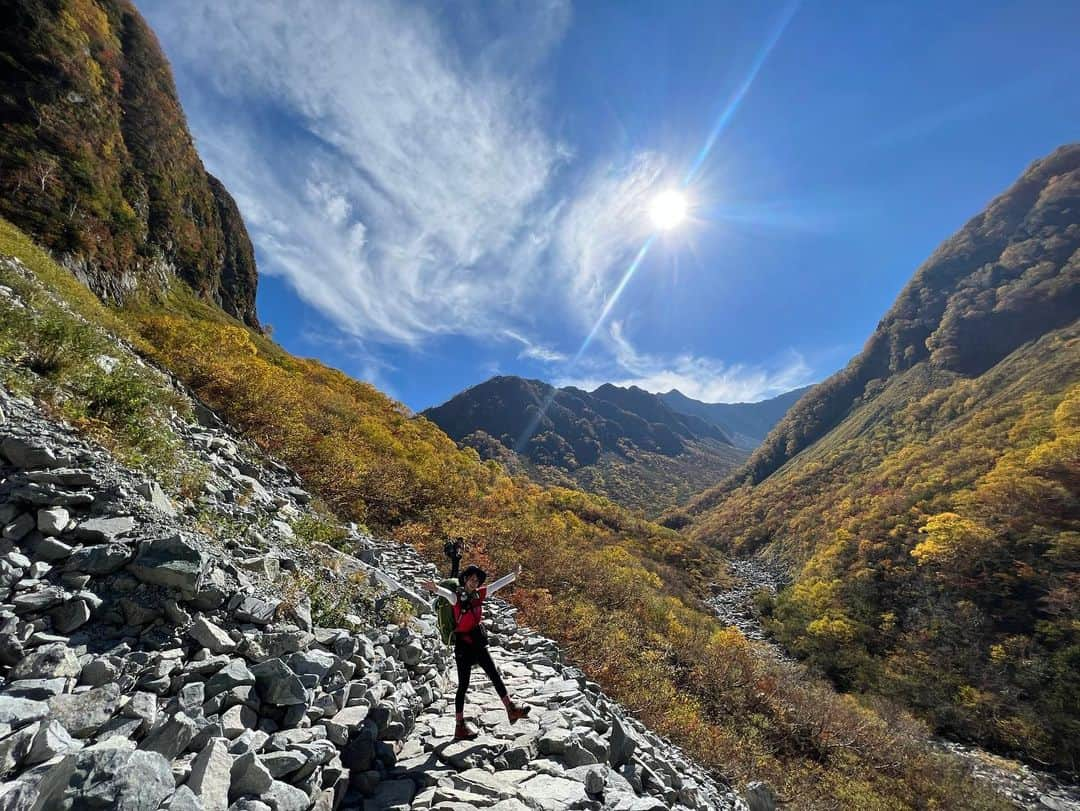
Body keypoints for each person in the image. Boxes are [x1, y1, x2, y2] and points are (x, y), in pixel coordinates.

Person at [421, 562, 532, 740]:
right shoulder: (456, 597)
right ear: (465, 579)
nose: (474, 582)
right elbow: (447, 594)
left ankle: (511, 709)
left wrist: (513, 575)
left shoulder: (479, 595)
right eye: (472, 579)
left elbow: (496, 585)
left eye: (477, 580)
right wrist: (436, 589)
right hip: (463, 645)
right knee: (463, 686)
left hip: (477, 642)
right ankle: (459, 726)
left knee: (494, 674)